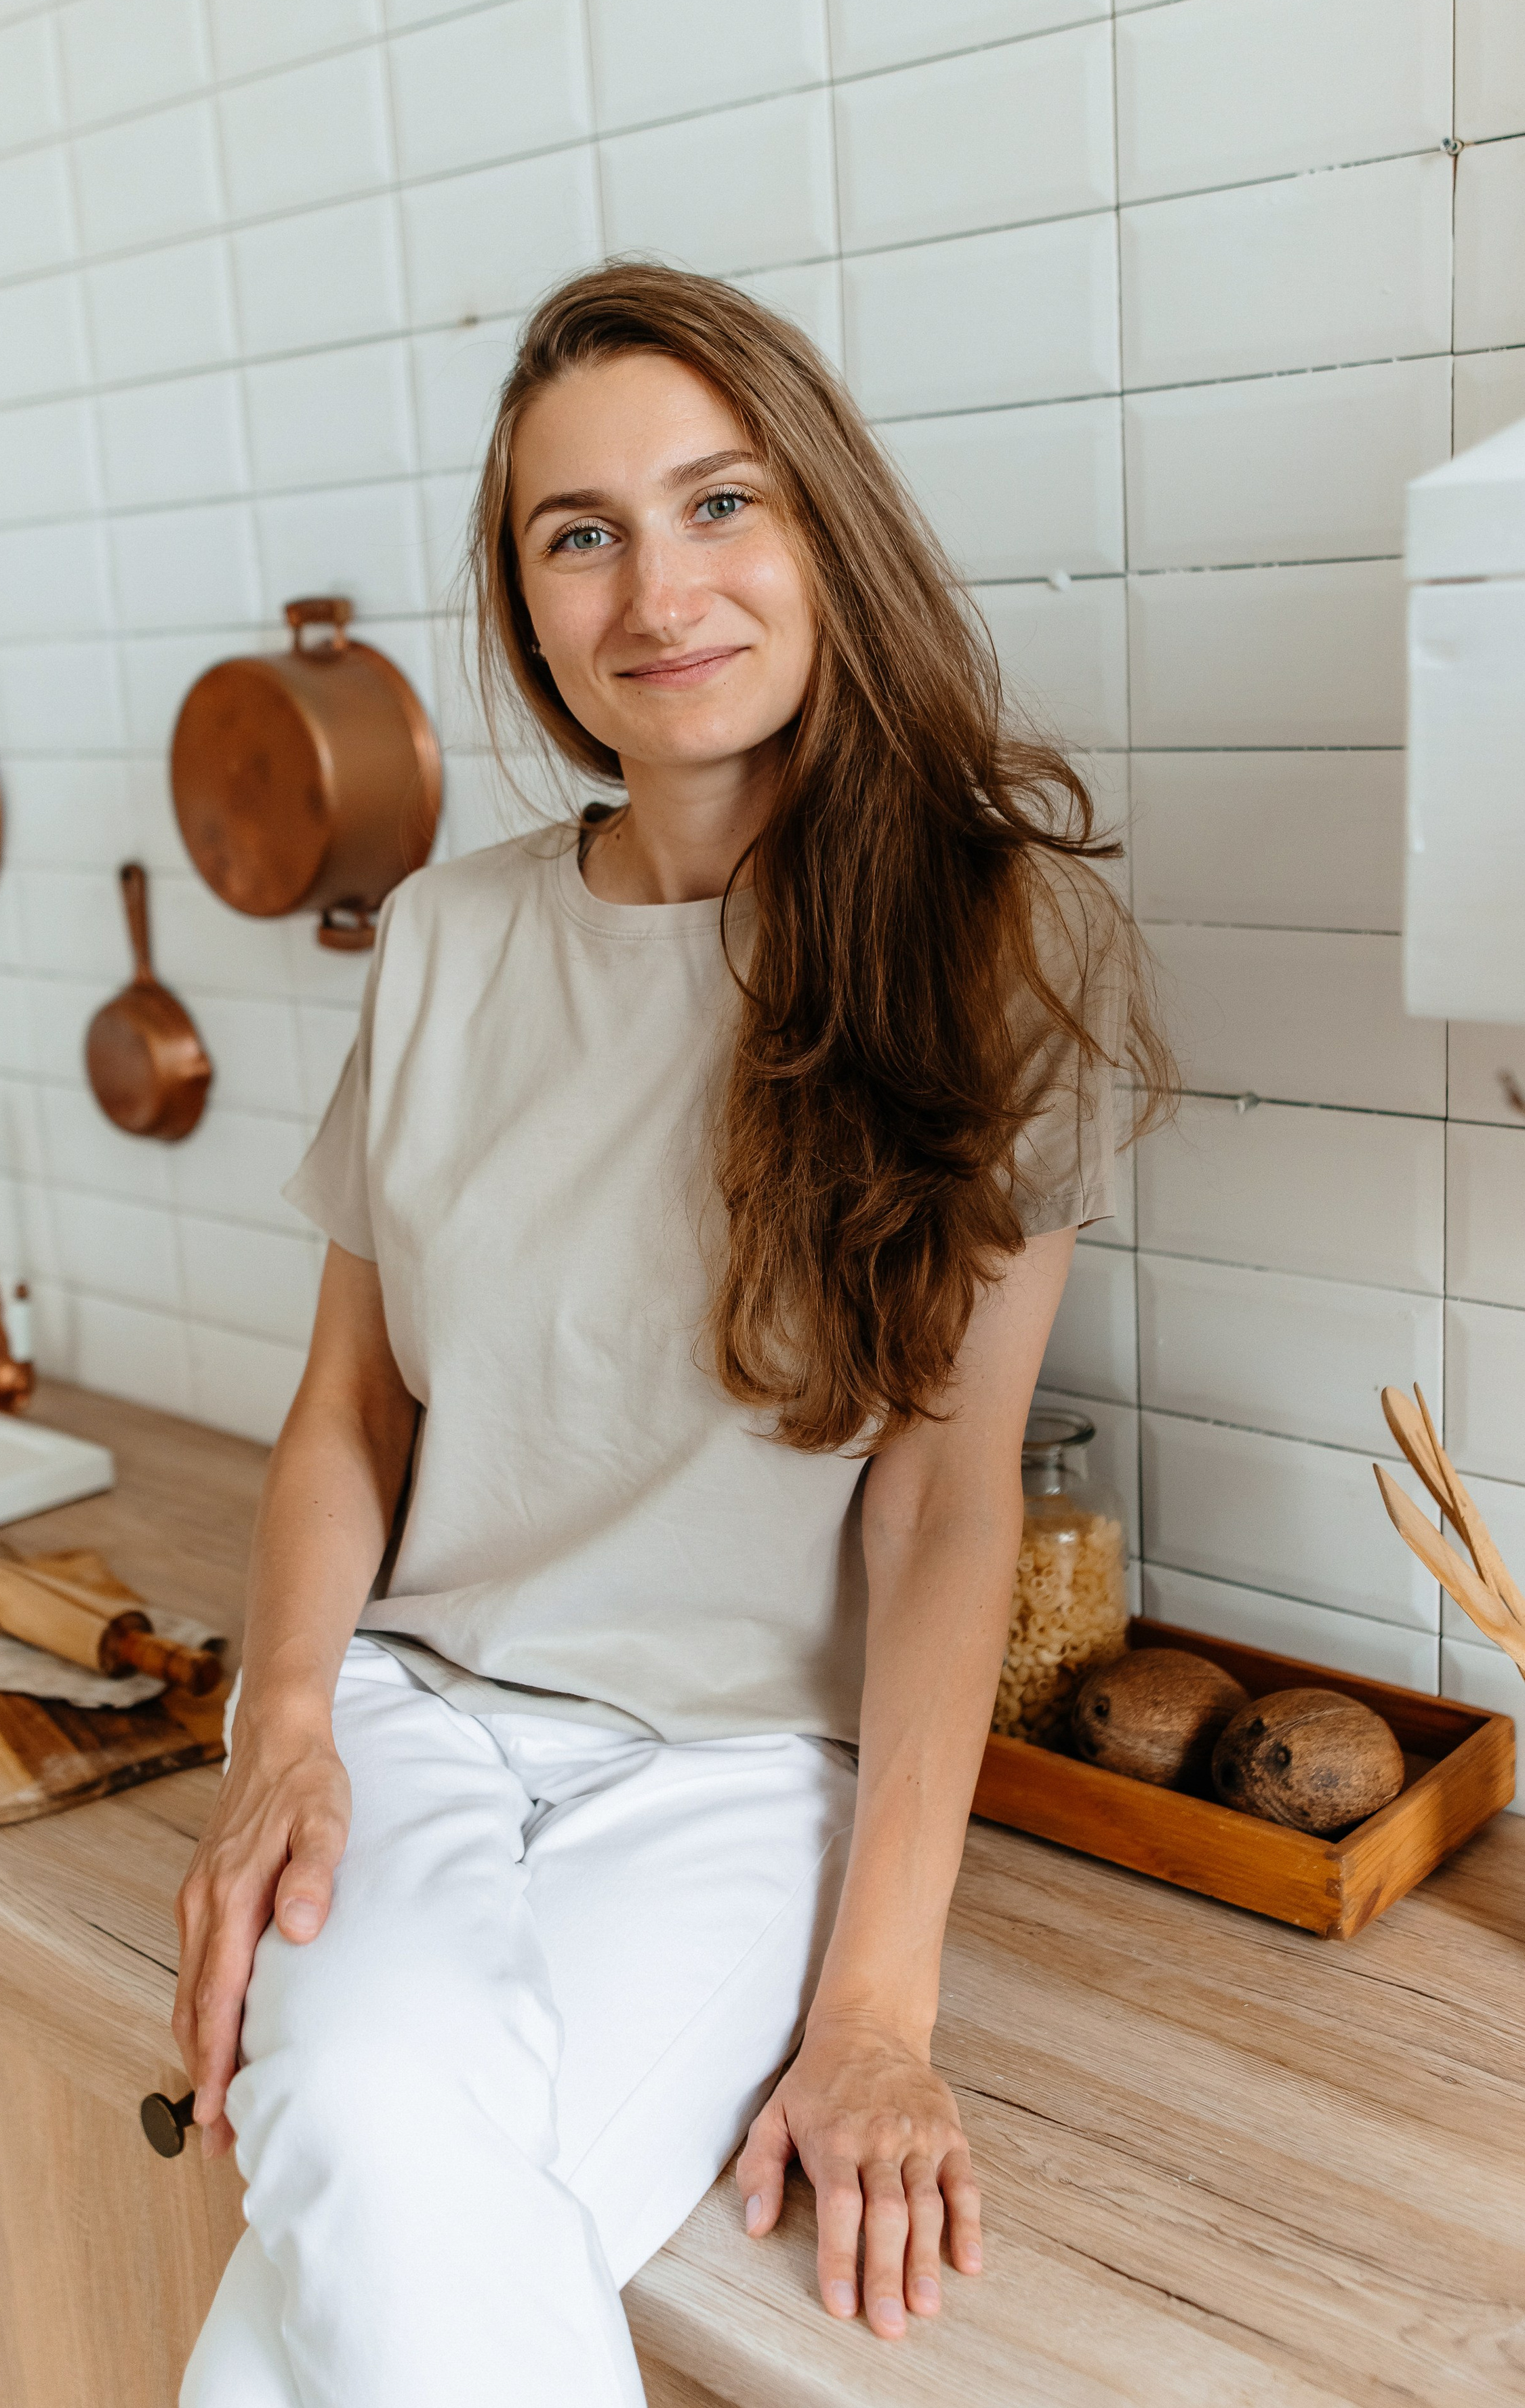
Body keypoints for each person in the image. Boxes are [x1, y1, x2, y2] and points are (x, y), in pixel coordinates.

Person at [174, 262, 1171, 2407]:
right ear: (526, 603)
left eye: (720, 504)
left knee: (346, 2212)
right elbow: (350, 1411)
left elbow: (940, 1502)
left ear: (825, 530)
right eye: (581, 532)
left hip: (740, 1774)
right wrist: (285, 1729)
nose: (658, 589)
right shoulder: (444, 936)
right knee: (373, 2141)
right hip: (422, 1710)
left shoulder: (1001, 942)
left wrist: (880, 2012)